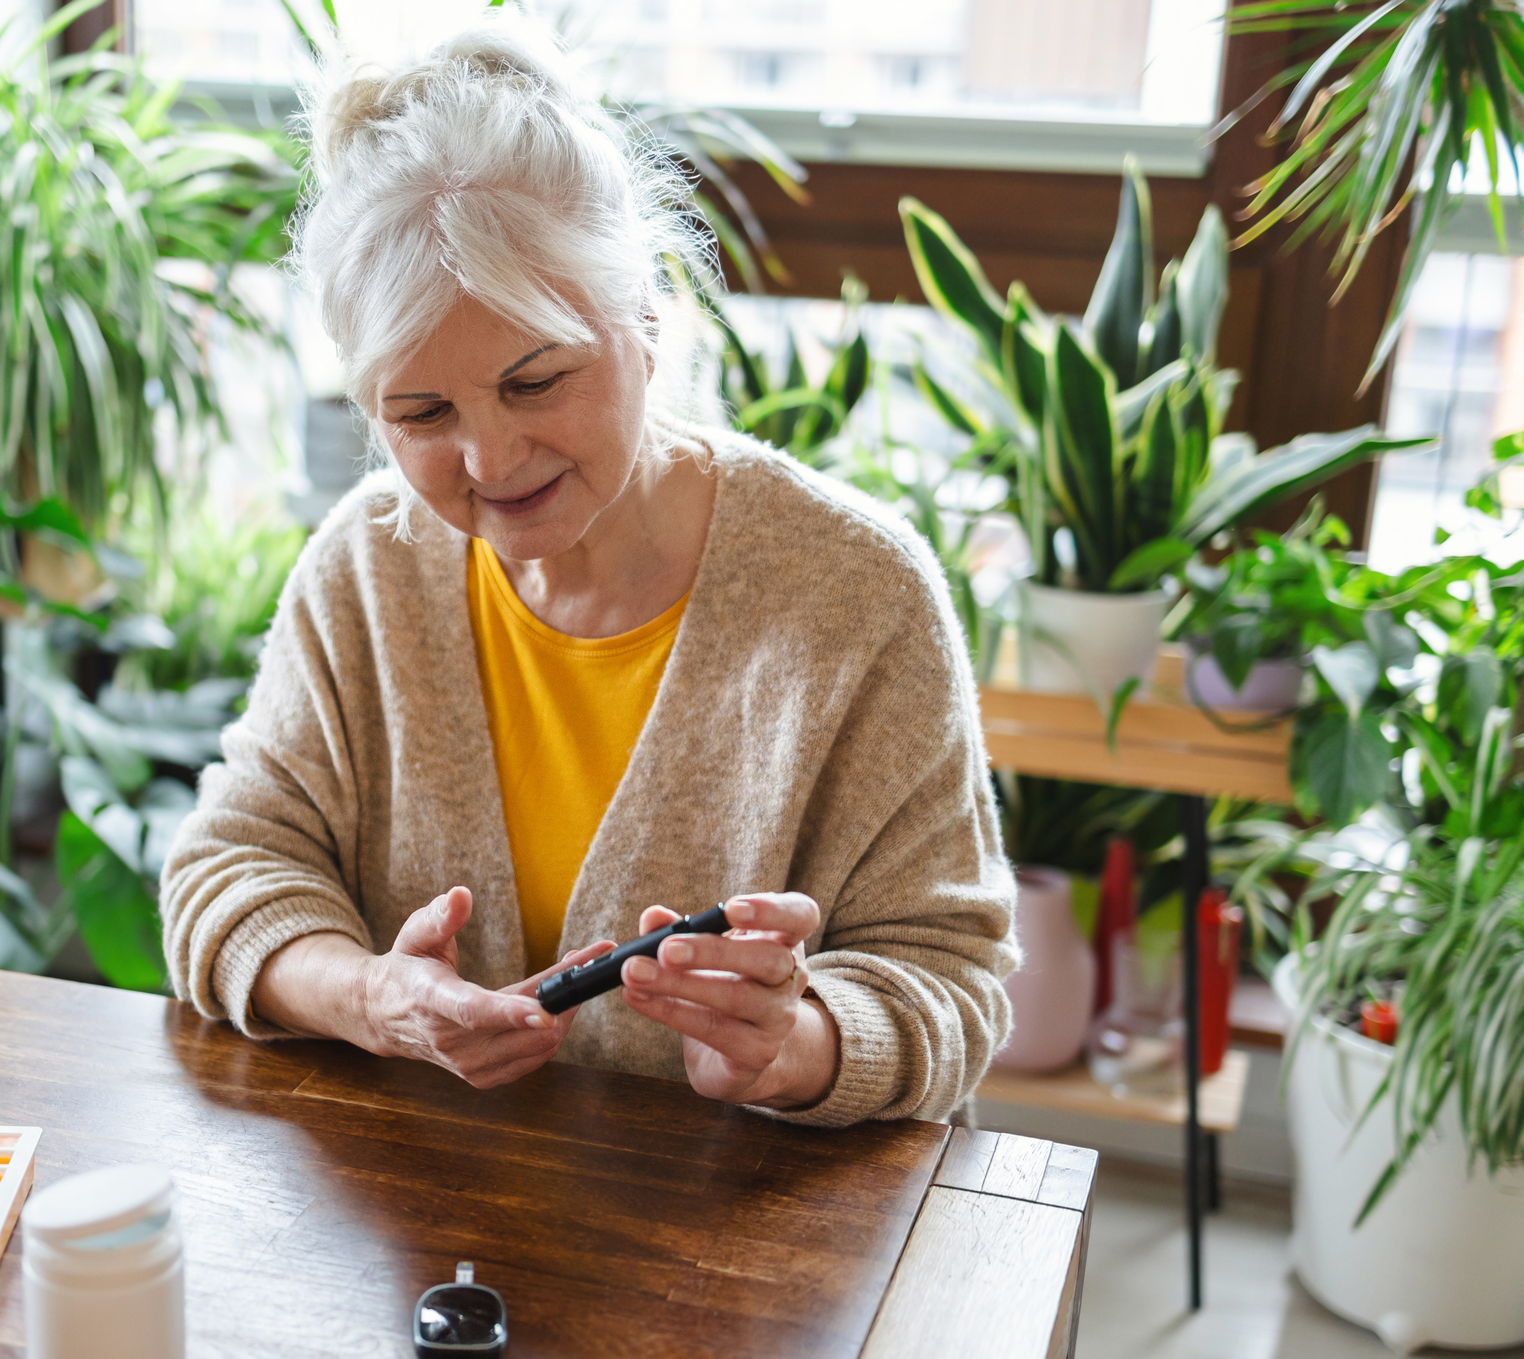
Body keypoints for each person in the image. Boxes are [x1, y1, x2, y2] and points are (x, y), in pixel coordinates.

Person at [160, 30, 1018, 1127]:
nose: (491, 462)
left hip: (744, 1253)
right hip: (421, 1233)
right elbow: (228, 869)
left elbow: (950, 979)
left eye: (537, 381)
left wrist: (789, 1043)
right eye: (421, 415)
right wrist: (373, 996)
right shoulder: (367, 568)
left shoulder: (857, 596)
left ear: (649, 322)